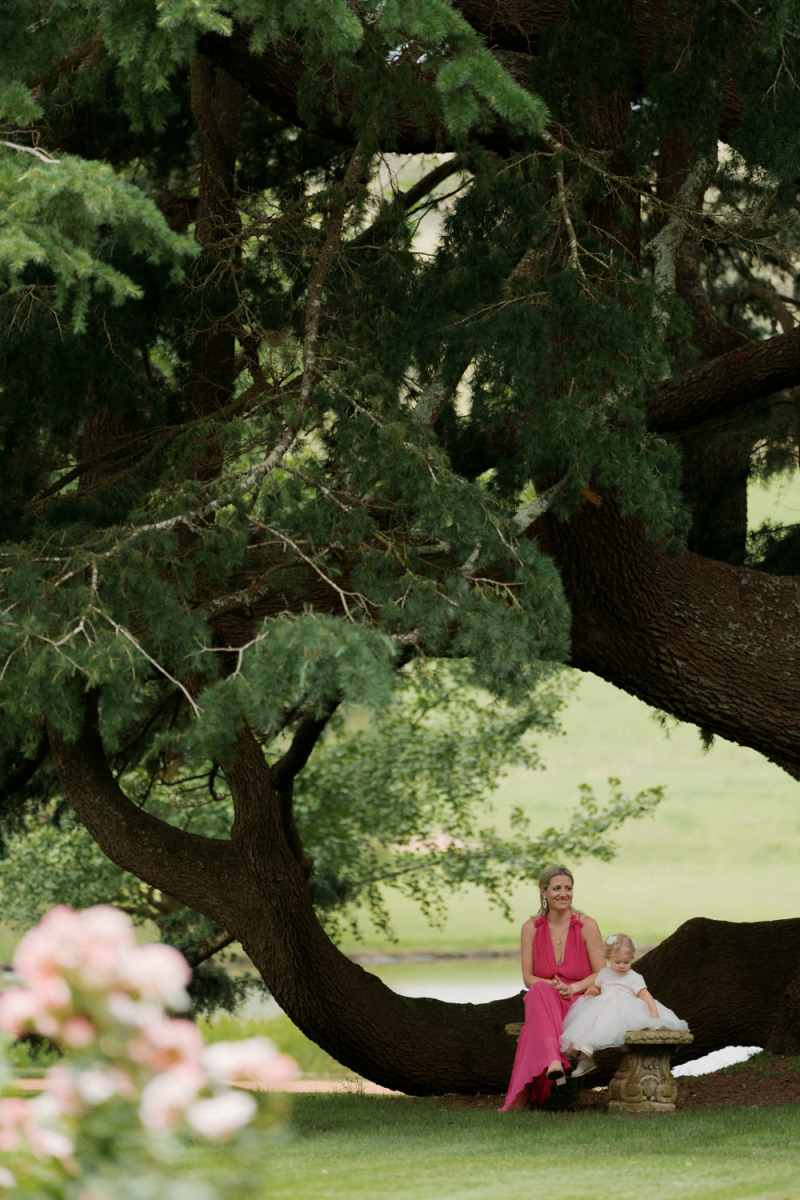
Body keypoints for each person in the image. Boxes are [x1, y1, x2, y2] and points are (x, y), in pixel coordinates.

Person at [499, 865, 605, 1111]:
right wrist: (553, 986)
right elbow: (528, 977)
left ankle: (527, 1090)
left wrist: (573, 987)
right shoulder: (530, 928)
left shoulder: (587, 925)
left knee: (532, 1025)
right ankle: (553, 1061)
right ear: (543, 891)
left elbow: (602, 972)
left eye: (568, 888)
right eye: (556, 888)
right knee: (537, 990)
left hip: (579, 1001)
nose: (563, 894)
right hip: (547, 999)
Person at [560, 932, 690, 1076]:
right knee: (590, 1021)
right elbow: (598, 987)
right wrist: (593, 989)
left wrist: (653, 1011)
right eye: (618, 962)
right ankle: (585, 1057)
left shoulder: (634, 977)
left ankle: (587, 1049)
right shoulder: (603, 973)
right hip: (604, 1007)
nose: (622, 966)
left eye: (626, 962)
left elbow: (645, 995)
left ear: (631, 959)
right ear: (608, 958)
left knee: (604, 1020)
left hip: (624, 1011)